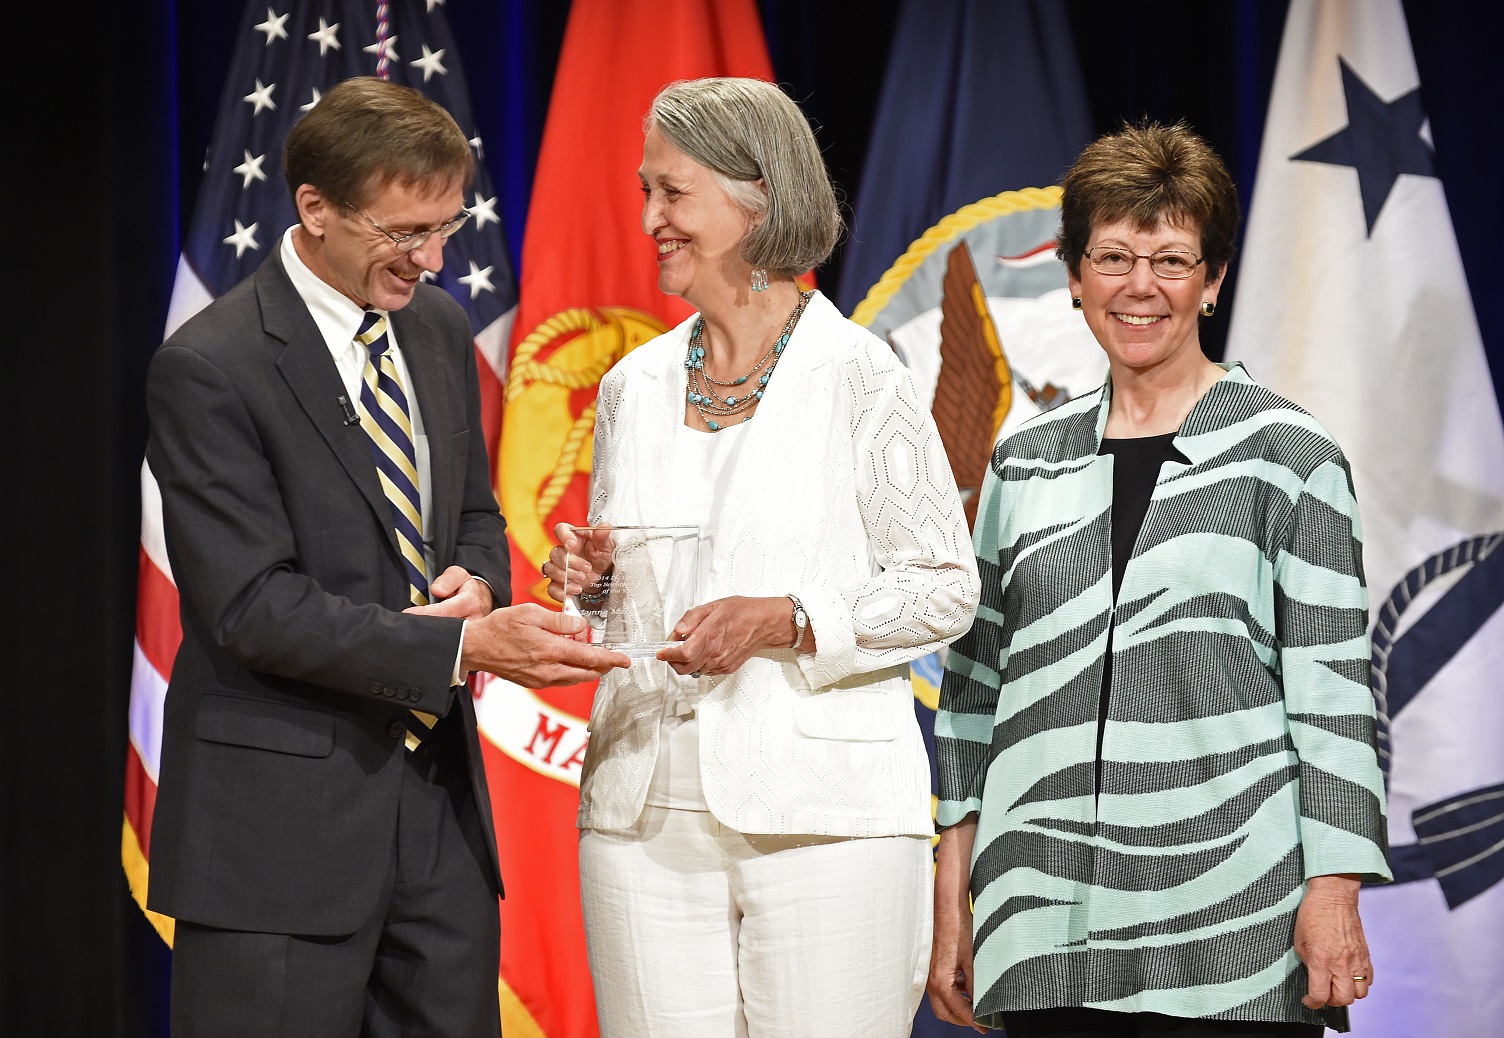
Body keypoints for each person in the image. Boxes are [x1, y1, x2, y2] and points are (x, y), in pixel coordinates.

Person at [144, 78, 627, 1038]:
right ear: (315, 209)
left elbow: (474, 515)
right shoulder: (210, 367)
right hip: (278, 837)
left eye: (445, 228)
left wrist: (478, 580)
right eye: (406, 232)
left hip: (438, 824)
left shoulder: (439, 331)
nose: (434, 260)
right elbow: (250, 607)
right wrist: (464, 649)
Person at [927, 121, 1392, 1038]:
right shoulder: (1022, 462)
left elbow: (1335, 699)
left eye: (1172, 259)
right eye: (1112, 256)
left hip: (1231, 931)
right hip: (1041, 925)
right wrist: (953, 893)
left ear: (1213, 282)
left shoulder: (1287, 456)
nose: (1140, 286)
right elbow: (973, 695)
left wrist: (1334, 888)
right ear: (1073, 277)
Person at [541, 77, 980, 1038]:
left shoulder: (863, 375)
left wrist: (784, 618)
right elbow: (627, 597)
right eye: (645, 191)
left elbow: (944, 589)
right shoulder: (633, 386)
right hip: (642, 810)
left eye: (675, 192)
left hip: (828, 818)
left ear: (761, 198)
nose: (651, 217)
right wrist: (592, 579)